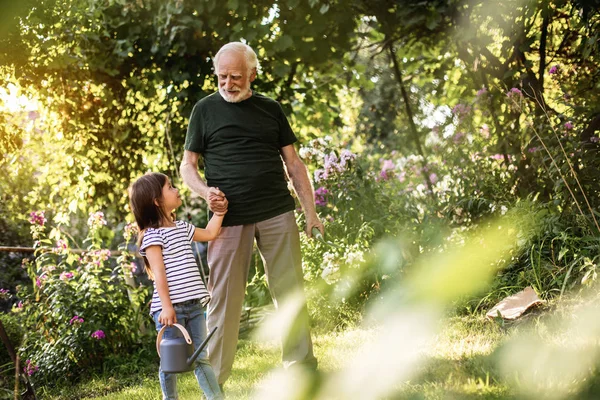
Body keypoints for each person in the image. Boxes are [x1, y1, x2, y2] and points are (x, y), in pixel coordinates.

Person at [180, 41, 324, 389]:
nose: (228, 84)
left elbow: (293, 163)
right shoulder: (204, 110)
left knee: (289, 292)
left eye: (236, 77)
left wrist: (311, 213)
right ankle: (215, 383)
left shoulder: (271, 109)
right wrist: (205, 192)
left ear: (253, 74)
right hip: (228, 218)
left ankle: (301, 370)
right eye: (222, 77)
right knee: (224, 301)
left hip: (276, 210)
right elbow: (188, 166)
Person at [128, 172, 225, 400]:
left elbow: (210, 233)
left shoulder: (182, 227)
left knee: (201, 357)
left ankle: (215, 398)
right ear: (157, 200)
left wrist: (219, 213)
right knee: (170, 362)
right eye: (170, 187)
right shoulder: (152, 236)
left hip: (193, 307)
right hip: (169, 310)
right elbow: (159, 275)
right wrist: (166, 307)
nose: (176, 190)